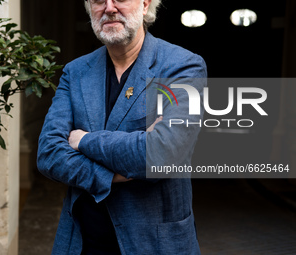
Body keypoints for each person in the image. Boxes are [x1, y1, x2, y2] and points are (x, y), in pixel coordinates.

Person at [37, 0, 207, 254]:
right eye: (98, 1)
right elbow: (49, 154)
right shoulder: (76, 72)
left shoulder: (183, 67)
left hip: (154, 244)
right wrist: (115, 174)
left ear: (145, 4)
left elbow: (160, 153)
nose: (109, 8)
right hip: (83, 243)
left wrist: (83, 141)